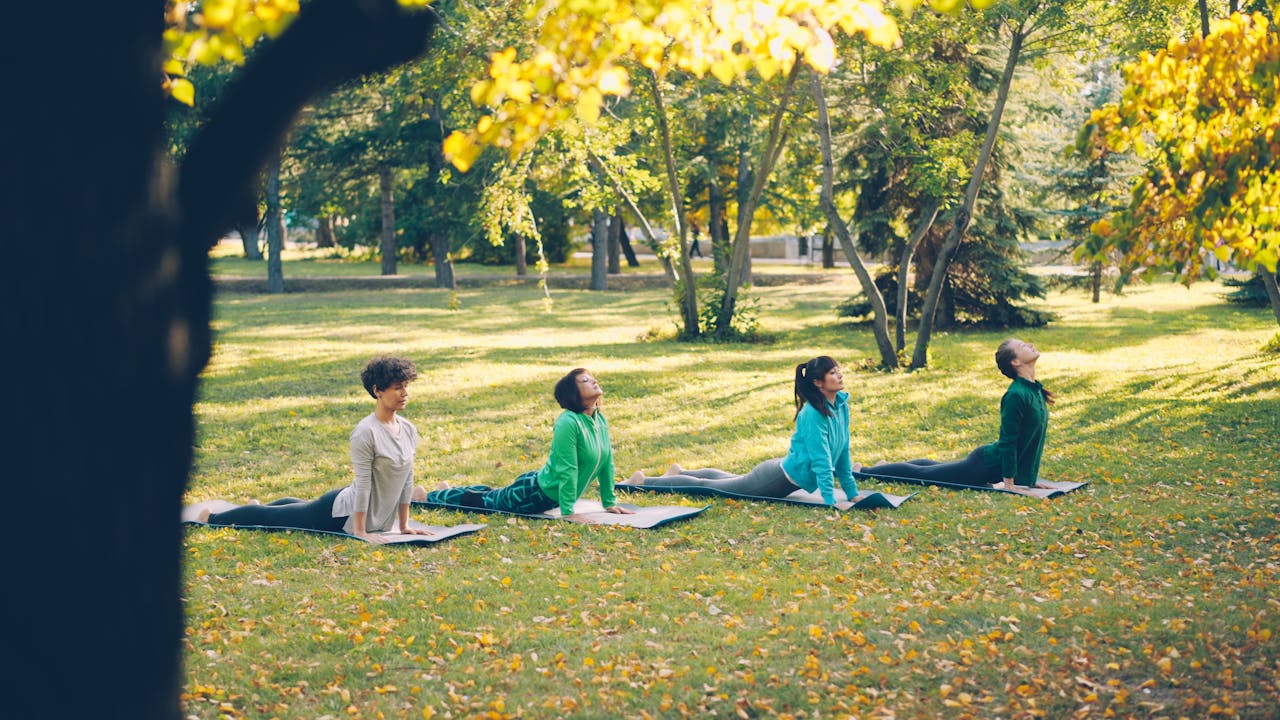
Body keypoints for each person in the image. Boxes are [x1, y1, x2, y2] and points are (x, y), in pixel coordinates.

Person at [183, 356, 432, 544]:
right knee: (277, 519)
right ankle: (212, 517)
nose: (404, 392)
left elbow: (406, 481)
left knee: (294, 509)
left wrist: (404, 525)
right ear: (377, 390)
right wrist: (360, 532)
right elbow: (364, 484)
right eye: (397, 387)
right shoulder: (366, 431)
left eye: (406, 386)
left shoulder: (408, 429)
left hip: (373, 515)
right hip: (338, 513)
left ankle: (265, 504)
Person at [621, 356, 860, 507]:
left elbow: (842, 453)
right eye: (832, 372)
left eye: (838, 370)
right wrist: (829, 501)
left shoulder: (840, 405)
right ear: (818, 383)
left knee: (729, 480)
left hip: (780, 470)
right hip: (776, 479)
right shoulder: (813, 414)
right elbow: (821, 459)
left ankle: (679, 471)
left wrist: (851, 494)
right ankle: (643, 480)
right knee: (708, 487)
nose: (839, 375)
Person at [418, 368, 635, 524]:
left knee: (492, 495)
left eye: (592, 378)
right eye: (585, 381)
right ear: (574, 393)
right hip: (534, 493)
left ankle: (447, 490)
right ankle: (428, 496)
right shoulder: (568, 422)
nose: (594, 381)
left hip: (545, 491)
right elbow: (567, 468)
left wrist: (609, 502)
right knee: (486, 501)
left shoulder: (599, 419)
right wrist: (568, 512)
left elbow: (606, 462)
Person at [864, 338, 1054, 492]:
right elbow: (1009, 441)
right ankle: (864, 471)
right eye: (1022, 345)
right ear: (1015, 361)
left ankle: (884, 465)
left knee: (932, 468)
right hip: (983, 466)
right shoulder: (1016, 395)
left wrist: (1029, 480)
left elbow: (1032, 441)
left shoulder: (1034, 390)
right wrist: (1009, 483)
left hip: (989, 461)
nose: (1029, 344)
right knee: (924, 475)